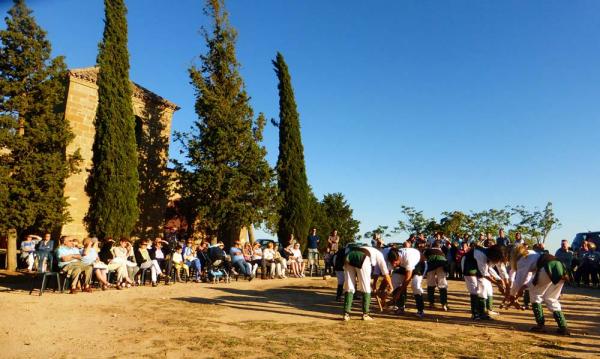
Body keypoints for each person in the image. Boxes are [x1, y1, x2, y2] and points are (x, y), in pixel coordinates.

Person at [507, 244, 570, 335]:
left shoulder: (522, 259)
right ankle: (563, 327)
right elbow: (530, 279)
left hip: (547, 268)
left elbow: (519, 281)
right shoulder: (532, 253)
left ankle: (540, 326)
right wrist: (523, 288)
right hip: (560, 267)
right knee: (551, 298)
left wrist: (512, 295)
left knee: (535, 295)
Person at [342, 244, 394, 321]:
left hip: (349, 255)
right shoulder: (380, 255)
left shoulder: (372, 250)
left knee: (349, 286)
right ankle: (365, 314)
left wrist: (374, 285)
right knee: (366, 288)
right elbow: (385, 273)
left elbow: (376, 273)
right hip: (363, 257)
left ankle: (346, 314)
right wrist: (391, 286)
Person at [462, 244, 509, 320]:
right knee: (474, 289)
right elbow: (485, 273)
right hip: (468, 265)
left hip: (479, 268)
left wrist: (500, 280)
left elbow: (500, 270)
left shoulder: (494, 255)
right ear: (495, 256)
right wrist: (498, 284)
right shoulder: (481, 254)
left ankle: (483, 313)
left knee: (483, 288)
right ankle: (475, 313)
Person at [389, 245, 426, 318]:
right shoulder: (392, 255)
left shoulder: (409, 258)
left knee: (415, 285)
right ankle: (400, 307)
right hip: (404, 265)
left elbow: (407, 279)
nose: (394, 265)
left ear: (399, 258)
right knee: (395, 279)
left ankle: (420, 310)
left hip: (419, 265)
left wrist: (399, 293)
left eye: (395, 263)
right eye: (392, 263)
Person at [425, 240, 449, 311]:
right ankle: (444, 304)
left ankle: (431, 303)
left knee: (430, 285)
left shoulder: (428, 250)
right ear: (439, 246)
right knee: (442, 285)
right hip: (441, 266)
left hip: (431, 266)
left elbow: (424, 259)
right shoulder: (441, 251)